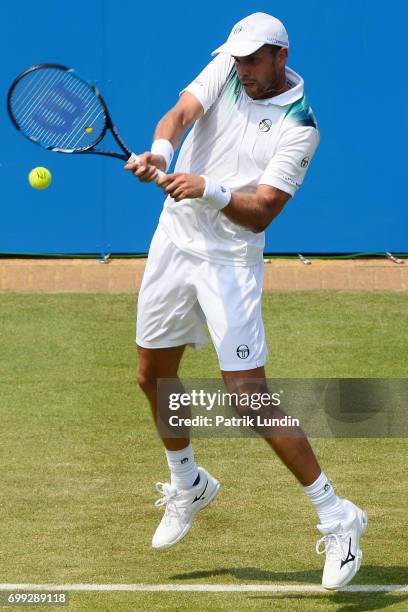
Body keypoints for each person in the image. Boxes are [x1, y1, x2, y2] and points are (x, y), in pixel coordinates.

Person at [125, 12, 367, 590]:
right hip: (174, 242)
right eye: (237, 58)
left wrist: (208, 188)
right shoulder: (227, 72)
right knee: (152, 375)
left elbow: (261, 209)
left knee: (248, 398)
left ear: (281, 57)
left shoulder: (300, 126)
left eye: (254, 60)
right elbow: (181, 113)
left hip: (228, 261)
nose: (243, 69)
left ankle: (338, 516)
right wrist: (162, 151)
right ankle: (188, 483)